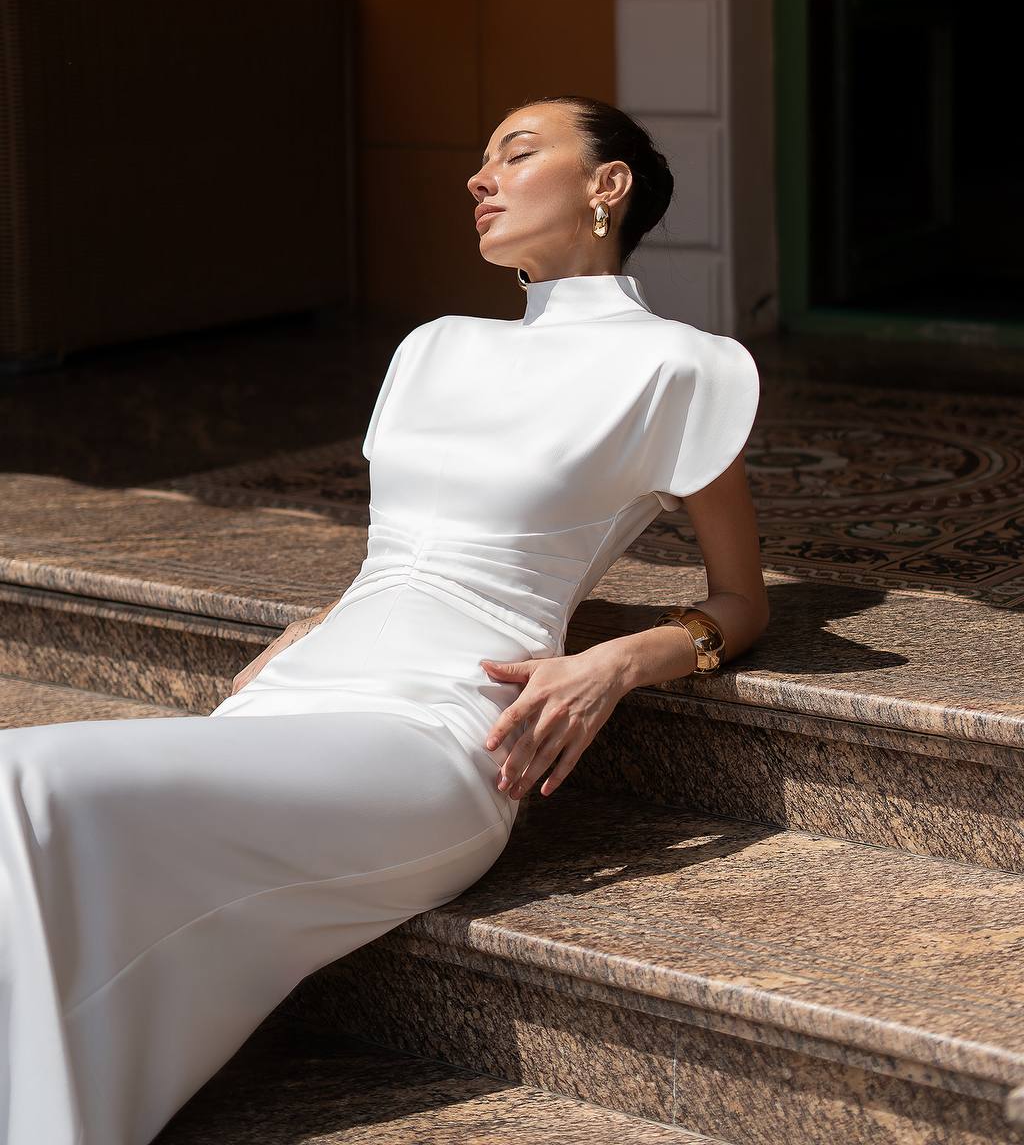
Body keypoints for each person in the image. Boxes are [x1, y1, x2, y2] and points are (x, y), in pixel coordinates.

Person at [0, 94, 768, 1144]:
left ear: (609, 184)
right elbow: (414, 546)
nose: (478, 176)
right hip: (291, 703)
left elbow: (740, 598)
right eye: (479, 158)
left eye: (516, 151)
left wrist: (615, 662)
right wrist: (333, 613)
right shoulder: (433, 345)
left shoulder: (682, 365)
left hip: (433, 737)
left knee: (22, 781)